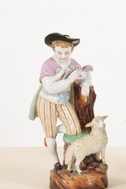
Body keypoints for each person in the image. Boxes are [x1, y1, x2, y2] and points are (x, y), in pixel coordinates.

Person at [29, 32, 92, 170]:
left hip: (63, 101)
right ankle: (55, 161)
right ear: (54, 49)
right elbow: (50, 88)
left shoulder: (73, 64)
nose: (63, 56)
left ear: (71, 50)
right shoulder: (48, 64)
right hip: (47, 101)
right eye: (59, 53)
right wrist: (69, 80)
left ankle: (53, 130)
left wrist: (85, 84)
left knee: (74, 129)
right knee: (50, 137)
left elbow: (86, 74)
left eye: (66, 53)